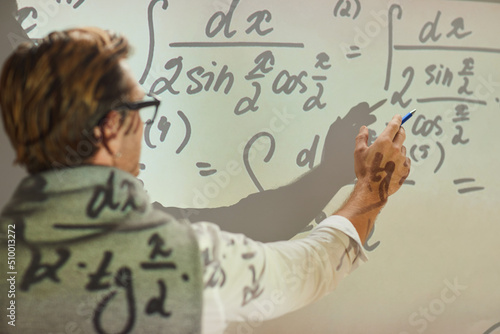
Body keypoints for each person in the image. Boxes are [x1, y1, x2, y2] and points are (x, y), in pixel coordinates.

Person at [0, 27, 410, 334]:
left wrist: (327, 175)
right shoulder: (165, 257)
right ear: (110, 128)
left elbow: (244, 223)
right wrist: (372, 189)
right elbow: (305, 270)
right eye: (140, 108)